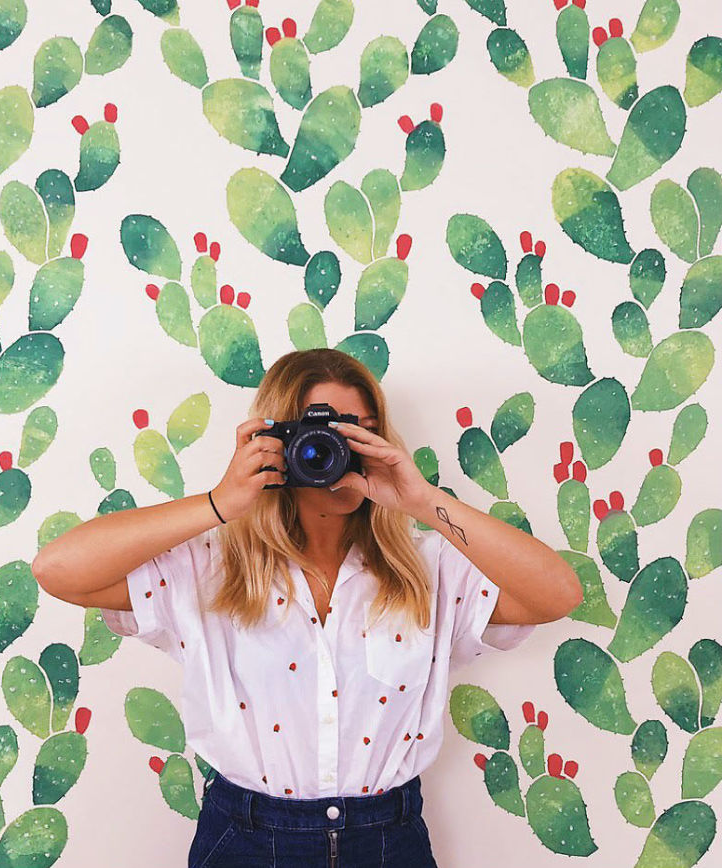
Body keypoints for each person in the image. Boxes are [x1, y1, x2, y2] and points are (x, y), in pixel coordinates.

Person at [33, 348, 583, 867]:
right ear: (275, 441)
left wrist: (420, 499)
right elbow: (57, 569)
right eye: (315, 436)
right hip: (245, 836)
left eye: (357, 432)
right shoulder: (208, 568)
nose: (334, 453)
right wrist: (220, 503)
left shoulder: (429, 569)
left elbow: (557, 594)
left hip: (389, 839)